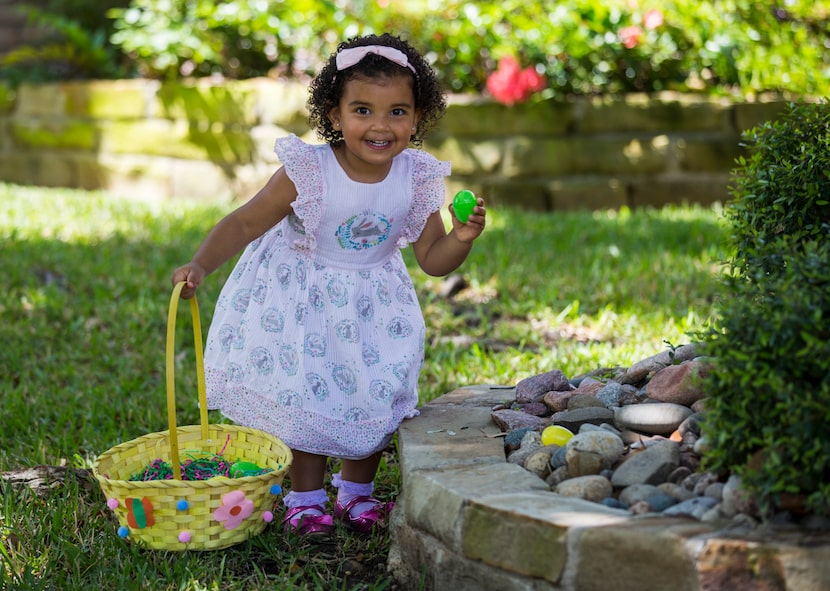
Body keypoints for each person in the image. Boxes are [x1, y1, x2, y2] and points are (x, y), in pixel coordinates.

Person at [171, 32, 486, 536]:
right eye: (362, 110)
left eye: (398, 112)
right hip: (305, 300)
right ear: (334, 116)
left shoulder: (417, 177)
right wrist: (201, 264)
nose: (380, 125)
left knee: (376, 391)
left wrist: (462, 238)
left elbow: (432, 258)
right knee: (309, 397)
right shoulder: (309, 171)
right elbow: (247, 221)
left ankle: (357, 494)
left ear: (418, 117)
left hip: (376, 305)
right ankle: (306, 497)